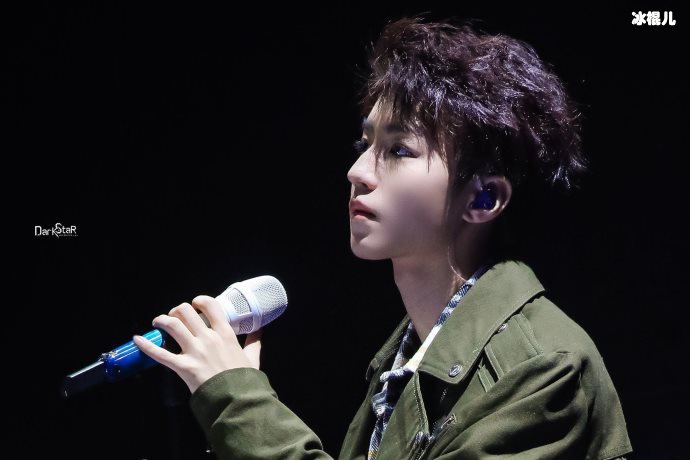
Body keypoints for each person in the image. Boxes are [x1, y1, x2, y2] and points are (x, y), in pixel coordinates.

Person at [134, 15, 633, 459]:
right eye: (366, 142)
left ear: (483, 199)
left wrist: (236, 401)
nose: (357, 171)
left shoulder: (542, 370)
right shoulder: (406, 357)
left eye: (399, 150)